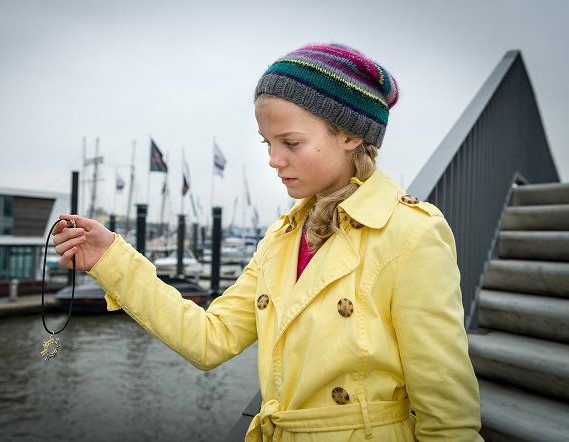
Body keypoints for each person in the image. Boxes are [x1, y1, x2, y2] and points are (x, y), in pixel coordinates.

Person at [53, 43, 482, 441]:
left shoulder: (412, 234)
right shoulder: (282, 238)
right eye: (268, 143)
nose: (274, 160)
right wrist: (110, 257)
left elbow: (448, 415)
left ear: (350, 135)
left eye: (291, 142)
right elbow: (209, 338)